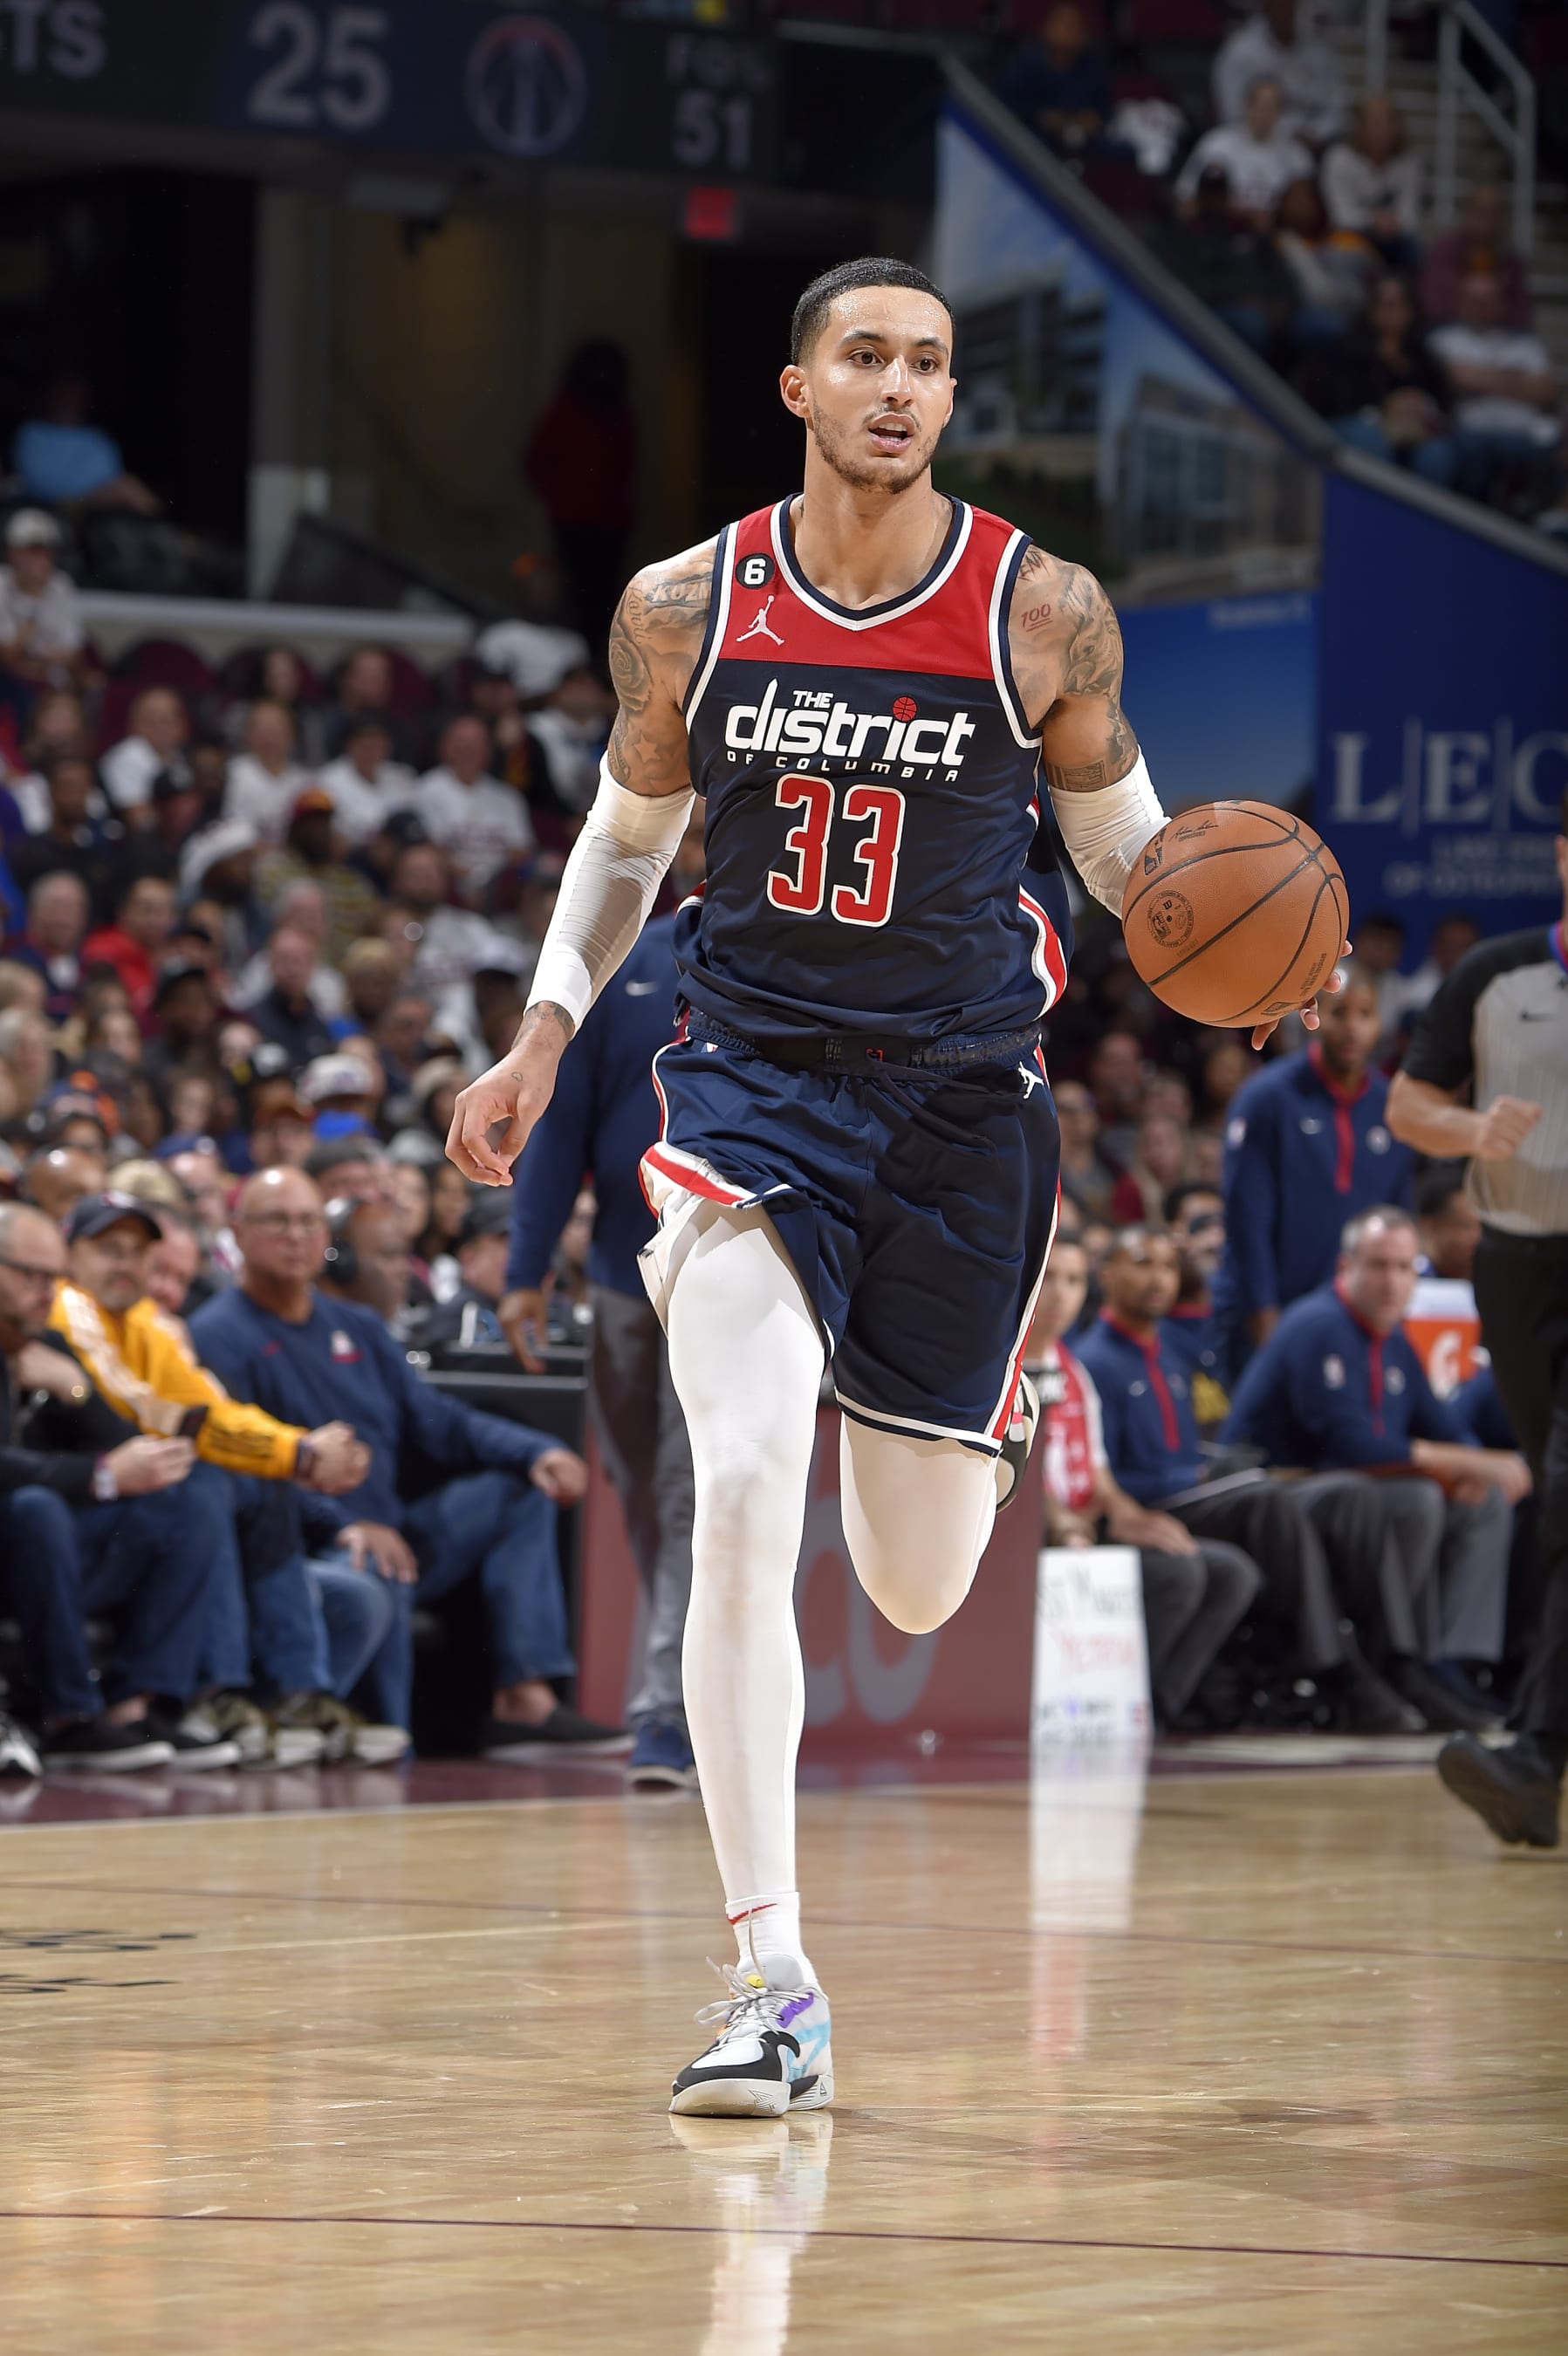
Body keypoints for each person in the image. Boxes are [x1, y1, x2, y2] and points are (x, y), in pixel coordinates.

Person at [446, 256, 1343, 2115]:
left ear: (947, 399)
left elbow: (1116, 837)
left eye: (927, 364)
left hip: (958, 1107)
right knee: (749, 1479)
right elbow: (626, 838)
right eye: (865, 355)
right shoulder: (683, 604)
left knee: (919, 1584)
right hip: (749, 1086)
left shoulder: (1041, 609)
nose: (898, 386)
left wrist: (1219, 952)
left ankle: (983, 1393)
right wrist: (542, 1033)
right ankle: (767, 1975)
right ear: (798, 387)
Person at [192, 1169, 627, 1757]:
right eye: (276, 1221)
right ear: (238, 1233)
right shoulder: (216, 1335)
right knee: (375, 1564)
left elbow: (438, 1421)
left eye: (306, 1221)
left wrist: (537, 1450)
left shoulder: (360, 1327)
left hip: (393, 1526)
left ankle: (525, 1701)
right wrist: (341, 1523)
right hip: (301, 1541)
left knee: (517, 1490)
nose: (294, 1235)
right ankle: (385, 1739)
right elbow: (234, 1465)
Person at [500, 850, 702, 1790]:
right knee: (647, 1495)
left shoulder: (790, 968)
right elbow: (560, 1126)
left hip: (728, 1266)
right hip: (623, 1279)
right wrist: (525, 1269)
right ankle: (697, 1680)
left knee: (683, 1491)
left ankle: (666, 1712)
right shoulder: (627, 969)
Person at [1387, 825, 1568, 1848]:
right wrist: (1473, 1131)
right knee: (1558, 1497)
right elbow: (1411, 1105)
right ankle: (1538, 1758)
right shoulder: (1498, 976)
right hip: (1520, 1260)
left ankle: (1537, 1756)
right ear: (1561, 853)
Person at [1078, 1229, 1424, 1734]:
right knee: (1265, 1502)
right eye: (1141, 1263)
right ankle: (1333, 1668)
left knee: (1343, 1493)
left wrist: (1214, 1465)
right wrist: (1191, 1473)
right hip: (1155, 1507)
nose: (1159, 1278)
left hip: (1204, 1492)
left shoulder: (1172, 1355)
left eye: (1170, 1267)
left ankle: (1392, 1659)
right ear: (1106, 1273)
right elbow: (1103, 1476)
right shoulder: (1095, 1361)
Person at [1225, 1208, 1526, 1733]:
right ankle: (1397, 1659)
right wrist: (1464, 1462)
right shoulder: (1318, 1325)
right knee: (1415, 1498)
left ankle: (1454, 1663)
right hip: (1277, 1491)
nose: (1392, 1282)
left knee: (1483, 1501)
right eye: (1379, 1266)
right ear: (1347, 1266)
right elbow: (1357, 1446)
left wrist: (1472, 1464)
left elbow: (1446, 1427)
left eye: (1404, 1268)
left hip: (1349, 1493)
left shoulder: (1392, 1339)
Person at [0, 1201, 229, 1771]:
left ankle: (136, 1704)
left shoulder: (44, 1340)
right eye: (28, 1274)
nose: (44, 1290)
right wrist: (100, 1475)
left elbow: (127, 1441)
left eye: (52, 1278)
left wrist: (74, 1386)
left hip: (43, 1552)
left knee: (190, 1496)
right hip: (23, 1534)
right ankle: (68, 1717)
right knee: (36, 1508)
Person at [1029, 1235, 1259, 1729]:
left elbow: (1099, 1473)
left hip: (1085, 1530)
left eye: (1071, 1280)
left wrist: (1131, 1515)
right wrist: (1065, 1525)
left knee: (1229, 1571)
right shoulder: (1004, 1366)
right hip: (1034, 1541)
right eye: (1047, 1278)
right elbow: (1021, 1475)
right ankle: (1127, 1703)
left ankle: (1158, 1703)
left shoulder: (1074, 1373)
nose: (1059, 1295)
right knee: (1180, 1575)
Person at [1214, 969, 1414, 1372]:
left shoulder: (1392, 1106)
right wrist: (1266, 1324)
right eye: (1341, 1013)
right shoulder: (1266, 1098)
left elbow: (1398, 1220)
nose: (1353, 1028)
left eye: (1366, 1014)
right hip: (1265, 1318)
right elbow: (1246, 1224)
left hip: (1355, 1322)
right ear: (1315, 1017)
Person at [523, 342, 637, 648]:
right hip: (571, 523)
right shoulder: (564, 412)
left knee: (605, 597)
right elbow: (536, 463)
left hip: (610, 524)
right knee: (571, 592)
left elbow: (626, 467)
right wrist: (561, 499)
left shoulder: (619, 416)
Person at [1427, 273, 1562, 508]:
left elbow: (1546, 391)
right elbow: (1459, 378)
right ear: (1460, 302)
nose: (1480, 307)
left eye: (1488, 300)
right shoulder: (1444, 339)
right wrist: (1516, 379)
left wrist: (1482, 377)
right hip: (1472, 433)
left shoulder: (1525, 344)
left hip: (1526, 435)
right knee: (1471, 448)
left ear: (1501, 304)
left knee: (1552, 448)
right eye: (1474, 300)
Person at [1312, 275, 1459, 488]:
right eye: (1384, 303)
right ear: (1371, 309)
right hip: (1357, 424)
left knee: (1438, 454)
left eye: (1398, 304)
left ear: (1411, 310)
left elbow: (1442, 402)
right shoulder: (1345, 349)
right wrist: (1387, 404)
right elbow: (1336, 402)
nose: (1390, 311)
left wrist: (1423, 404)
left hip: (1411, 430)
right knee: (1369, 439)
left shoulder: (1422, 356)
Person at [416, 714, 535, 903]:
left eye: (476, 742)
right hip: (450, 886)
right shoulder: (427, 790)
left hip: (499, 890)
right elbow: (431, 847)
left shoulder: (507, 797)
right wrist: (469, 878)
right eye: (461, 741)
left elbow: (520, 850)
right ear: (444, 746)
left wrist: (491, 881)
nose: (468, 748)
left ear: (488, 750)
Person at [11, 371, 159, 515]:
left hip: (95, 503)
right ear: (52, 396)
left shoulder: (96, 437)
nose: (69, 399)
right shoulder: (33, 433)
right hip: (50, 505)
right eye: (64, 393)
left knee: (130, 487)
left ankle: (166, 530)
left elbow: (110, 475)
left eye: (74, 393)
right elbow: (36, 479)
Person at [1174, 79, 1315, 229]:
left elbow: (1307, 217)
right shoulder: (1216, 144)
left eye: (1273, 106)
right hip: (1221, 231)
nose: (1265, 112)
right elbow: (1185, 200)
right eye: (1260, 104)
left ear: (1281, 111)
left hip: (1273, 238)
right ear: (1247, 106)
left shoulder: (1297, 155)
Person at [1212, 0, 1346, 150]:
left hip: (1312, 146)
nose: (1284, 11)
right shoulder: (1241, 51)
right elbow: (1232, 113)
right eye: (1279, 4)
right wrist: (1278, 135)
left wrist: (1316, 134)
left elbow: (1337, 107)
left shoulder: (1317, 51)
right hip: (1256, 142)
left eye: (1289, 5)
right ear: (1266, 7)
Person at [0, 510, 93, 702]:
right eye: (31, 551)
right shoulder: (1, 583)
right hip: (11, 681)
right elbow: (7, 655)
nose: (40, 558)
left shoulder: (61, 585)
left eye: (46, 551)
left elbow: (73, 654)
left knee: (92, 688)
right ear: (12, 552)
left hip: (53, 681)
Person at [999, 3, 1113, 159]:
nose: (1067, 31)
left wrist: (1090, 120)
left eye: (1074, 26)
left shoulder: (1092, 68)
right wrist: (1045, 118)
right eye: (1062, 24)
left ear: (1084, 35)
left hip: (1081, 138)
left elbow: (1103, 111)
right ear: (1047, 28)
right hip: (1035, 136)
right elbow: (1009, 106)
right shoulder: (1026, 65)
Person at [1321, 95, 1421, 267]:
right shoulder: (1339, 159)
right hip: (1353, 235)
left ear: (1396, 128)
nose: (1379, 132)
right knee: (1342, 255)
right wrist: (1373, 221)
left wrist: (1392, 223)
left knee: (1418, 254)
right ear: (1360, 127)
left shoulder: (1409, 162)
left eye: (1386, 124)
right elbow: (1341, 215)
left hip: (1396, 237)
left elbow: (1410, 214)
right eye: (1373, 125)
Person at [1420, 183, 1532, 331]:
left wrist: (1495, 306)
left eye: (1493, 210)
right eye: (1479, 209)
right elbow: (1432, 302)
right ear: (1467, 211)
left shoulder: (1510, 259)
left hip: (1501, 334)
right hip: (1450, 328)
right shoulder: (1445, 249)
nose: (1485, 216)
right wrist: (1468, 301)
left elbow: (1523, 311)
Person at [80, 875, 175, 1017]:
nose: (156, 919)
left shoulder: (177, 954)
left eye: (163, 912)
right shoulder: (102, 950)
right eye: (147, 910)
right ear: (124, 912)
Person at [223, 700, 314, 846]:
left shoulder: (306, 782)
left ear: (293, 736)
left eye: (275, 729)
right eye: (261, 728)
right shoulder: (230, 773)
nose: (268, 736)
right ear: (247, 734)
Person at [318, 716, 417, 847]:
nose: (371, 750)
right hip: (353, 856)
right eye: (365, 743)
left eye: (377, 743)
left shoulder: (402, 776)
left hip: (400, 855)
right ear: (350, 744)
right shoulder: (327, 781)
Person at [100, 688, 190, 818]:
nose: (160, 728)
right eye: (151, 721)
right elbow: (140, 821)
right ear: (133, 725)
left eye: (166, 720)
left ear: (182, 726)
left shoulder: (182, 755)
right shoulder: (128, 756)